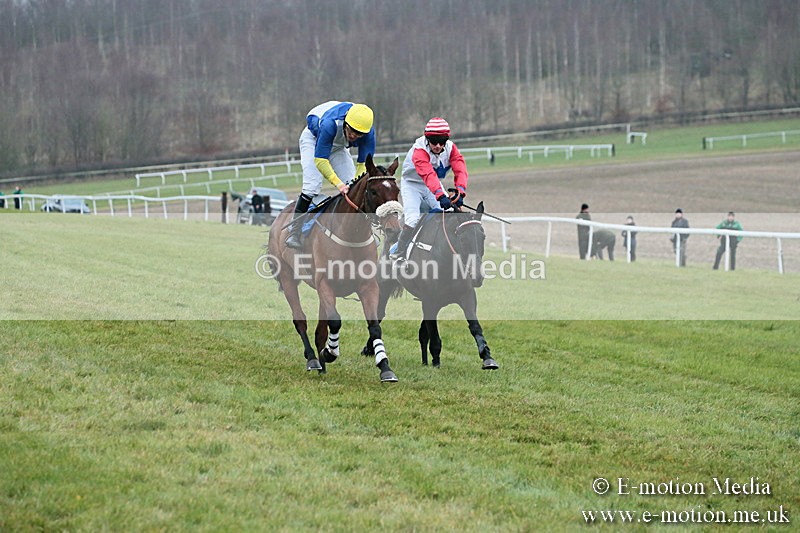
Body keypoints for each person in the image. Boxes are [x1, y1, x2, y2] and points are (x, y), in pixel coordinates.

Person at [285, 101, 375, 249]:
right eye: (351, 130)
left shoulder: (368, 133)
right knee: (312, 187)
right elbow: (321, 161)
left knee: (354, 188)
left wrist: (353, 183)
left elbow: (363, 164)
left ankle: (359, 233)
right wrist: (338, 184)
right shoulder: (330, 124)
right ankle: (294, 232)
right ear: (346, 122)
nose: (354, 136)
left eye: (359, 134)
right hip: (313, 140)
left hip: (338, 146)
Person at [391, 117, 468, 261]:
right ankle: (399, 251)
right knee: (413, 219)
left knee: (451, 213)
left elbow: (461, 170)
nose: (438, 146)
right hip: (412, 185)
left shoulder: (451, 148)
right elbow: (428, 175)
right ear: (427, 139)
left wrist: (460, 192)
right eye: (434, 141)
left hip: (431, 186)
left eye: (442, 142)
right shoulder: (419, 150)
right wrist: (441, 195)